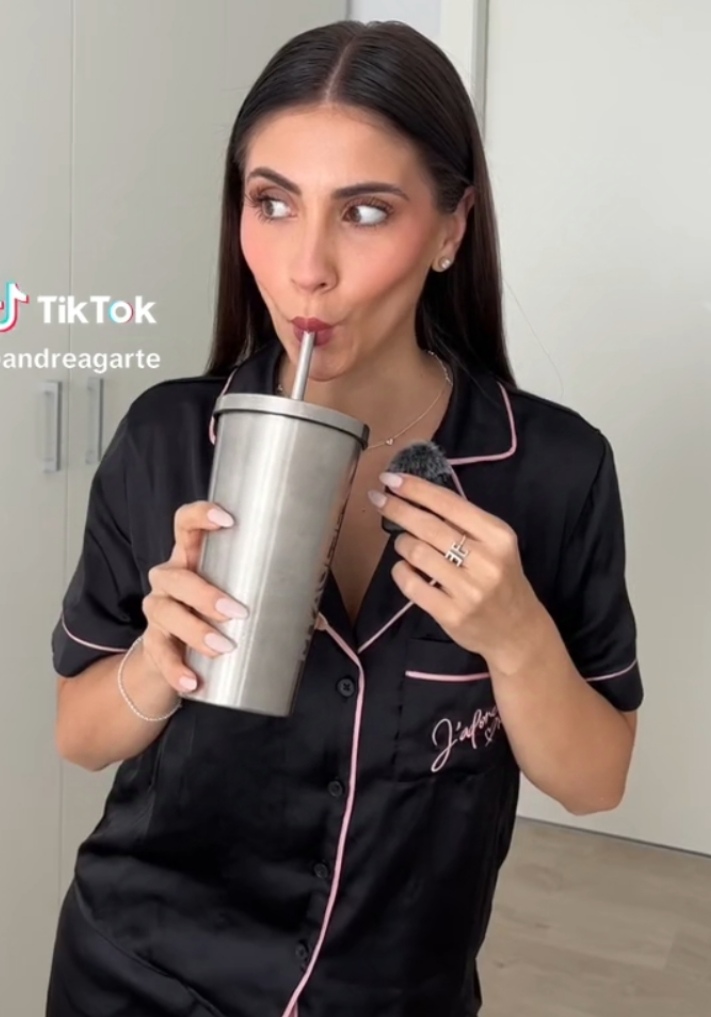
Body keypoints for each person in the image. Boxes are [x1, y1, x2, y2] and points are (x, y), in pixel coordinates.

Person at [46, 19, 644, 1017]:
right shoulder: (168, 439)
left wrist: (516, 637)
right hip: (137, 982)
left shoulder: (554, 470)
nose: (306, 267)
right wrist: (157, 659)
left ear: (450, 229)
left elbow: (594, 784)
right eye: (272, 203)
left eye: (364, 212)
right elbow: (80, 734)